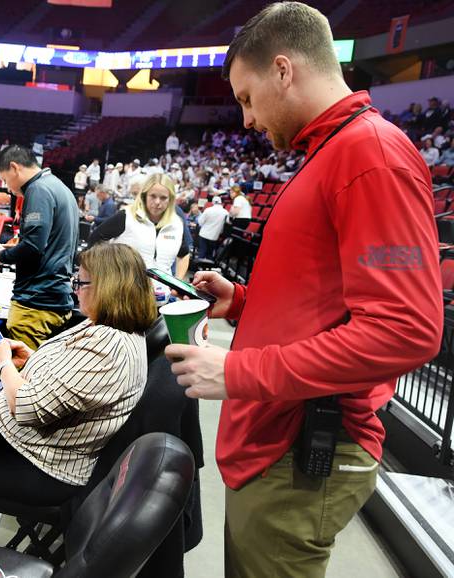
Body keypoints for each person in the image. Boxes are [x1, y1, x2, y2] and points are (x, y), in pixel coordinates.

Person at [164, 4, 443, 577]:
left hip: (301, 447)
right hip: (279, 441)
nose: (245, 119)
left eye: (247, 98)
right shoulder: (334, 152)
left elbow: (405, 330)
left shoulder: (372, 157)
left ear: (284, 70)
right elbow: (328, 301)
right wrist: (241, 303)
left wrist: (239, 372)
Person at [0, 243, 155, 557]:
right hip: (36, 446)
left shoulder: (108, 344)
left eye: (82, 283)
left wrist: (4, 363)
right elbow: (74, 383)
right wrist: (31, 359)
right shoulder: (113, 328)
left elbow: (28, 407)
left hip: (40, 465)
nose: (76, 291)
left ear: (109, 287)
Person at [0, 145, 79, 349]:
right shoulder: (58, 186)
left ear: (14, 168)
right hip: (56, 298)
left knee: (22, 377)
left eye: (5, 180)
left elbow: (33, 246)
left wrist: (1, 255)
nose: (8, 189)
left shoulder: (38, 189)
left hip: (35, 304)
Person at [89, 172, 192, 280]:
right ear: (144, 195)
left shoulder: (177, 223)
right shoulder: (126, 216)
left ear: (170, 199)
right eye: (153, 196)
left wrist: (178, 282)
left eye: (163, 198)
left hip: (161, 295)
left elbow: (184, 254)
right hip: (123, 293)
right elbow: (94, 240)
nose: (157, 202)